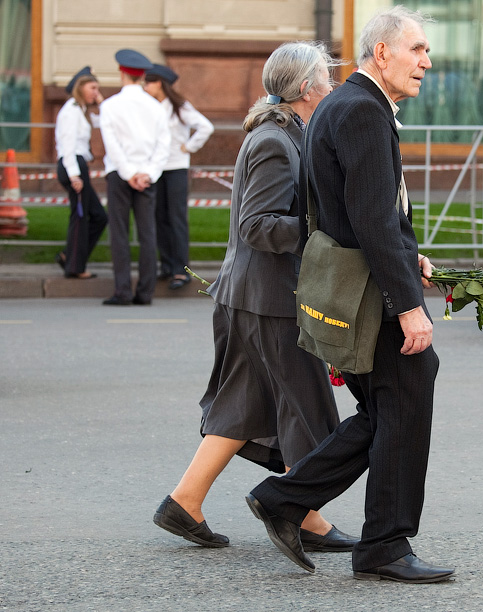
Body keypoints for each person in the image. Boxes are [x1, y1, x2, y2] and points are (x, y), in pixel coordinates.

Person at [245, 7, 454, 584]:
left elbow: (353, 208)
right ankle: (383, 544)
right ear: (382, 53)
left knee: (387, 409)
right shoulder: (362, 109)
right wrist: (409, 304)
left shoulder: (344, 105)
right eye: (416, 49)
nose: (426, 62)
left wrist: (407, 255)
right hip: (370, 294)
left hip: (358, 283)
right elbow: (368, 217)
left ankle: (285, 500)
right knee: (406, 399)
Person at [153, 41, 357, 552]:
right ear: (307, 89)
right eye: (326, 80)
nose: (332, 87)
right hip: (269, 299)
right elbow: (258, 227)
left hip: (251, 297)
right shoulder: (274, 141)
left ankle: (185, 502)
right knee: (309, 405)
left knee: (243, 406)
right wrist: (319, 228)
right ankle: (303, 514)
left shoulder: (289, 134)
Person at [99, 49, 170, 306]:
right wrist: (147, 174)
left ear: (122, 73)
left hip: (120, 174)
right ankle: (145, 292)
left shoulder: (109, 106)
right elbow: (164, 146)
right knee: (147, 233)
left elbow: (112, 145)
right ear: (142, 75)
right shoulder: (156, 107)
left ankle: (122, 291)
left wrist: (129, 174)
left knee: (119, 232)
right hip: (147, 176)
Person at [143, 64, 214, 290]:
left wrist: (189, 147)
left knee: (176, 218)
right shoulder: (149, 107)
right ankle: (166, 266)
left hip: (176, 168)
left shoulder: (179, 106)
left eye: (149, 82)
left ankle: (180, 269)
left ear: (160, 84)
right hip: (155, 168)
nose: (146, 86)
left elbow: (205, 127)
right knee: (159, 218)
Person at [54, 66, 107, 279]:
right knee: (80, 217)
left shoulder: (82, 111)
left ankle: (70, 257)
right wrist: (74, 174)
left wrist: (102, 104)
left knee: (98, 216)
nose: (96, 92)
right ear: (81, 88)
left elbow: (105, 122)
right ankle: (75, 266)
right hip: (73, 164)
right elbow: (67, 145)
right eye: (93, 87)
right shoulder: (71, 110)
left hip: (77, 165)